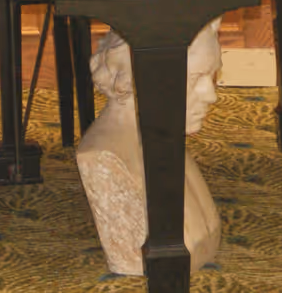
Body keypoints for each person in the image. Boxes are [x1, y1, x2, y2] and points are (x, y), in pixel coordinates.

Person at [75, 21, 222, 276]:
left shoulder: (165, 138)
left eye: (212, 77)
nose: (211, 95)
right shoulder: (103, 158)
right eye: (196, 78)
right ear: (140, 78)